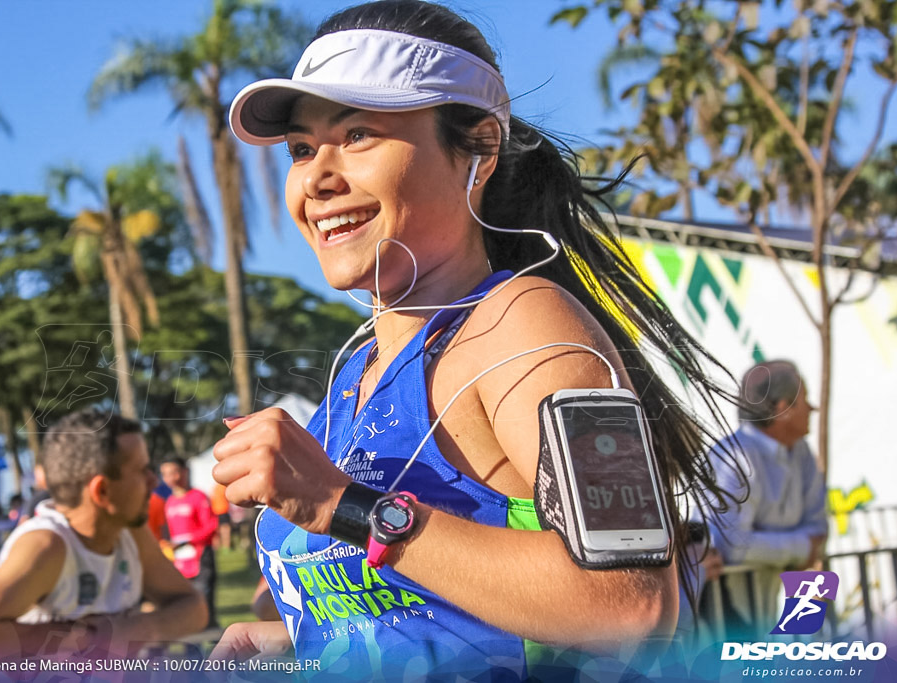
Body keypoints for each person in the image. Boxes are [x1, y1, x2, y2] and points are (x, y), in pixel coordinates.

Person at [210, 1, 735, 678]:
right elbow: (434, 608)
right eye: (303, 148)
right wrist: (309, 641)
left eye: (360, 133)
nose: (316, 176)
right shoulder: (358, 368)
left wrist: (342, 505)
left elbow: (631, 601)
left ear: (480, 148)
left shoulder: (526, 323)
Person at [0, 409, 207, 661]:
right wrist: (85, 638)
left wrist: (131, 630)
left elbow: (194, 608)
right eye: (141, 471)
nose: (154, 481)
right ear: (101, 491)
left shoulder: (129, 533)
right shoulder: (47, 545)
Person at [704, 360, 828, 638]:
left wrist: (776, 546)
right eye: (804, 400)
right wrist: (798, 547)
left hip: (767, 605)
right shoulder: (734, 456)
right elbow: (731, 546)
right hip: (723, 614)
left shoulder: (801, 452)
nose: (812, 408)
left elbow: (818, 530)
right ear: (782, 408)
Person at [160, 457, 219, 629]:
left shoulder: (198, 497)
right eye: (165, 474)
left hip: (201, 559)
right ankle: (192, 648)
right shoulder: (169, 502)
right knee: (186, 606)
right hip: (180, 562)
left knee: (204, 605)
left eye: (173, 472)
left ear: (184, 472)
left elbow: (211, 526)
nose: (170, 478)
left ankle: (215, 649)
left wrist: (188, 541)